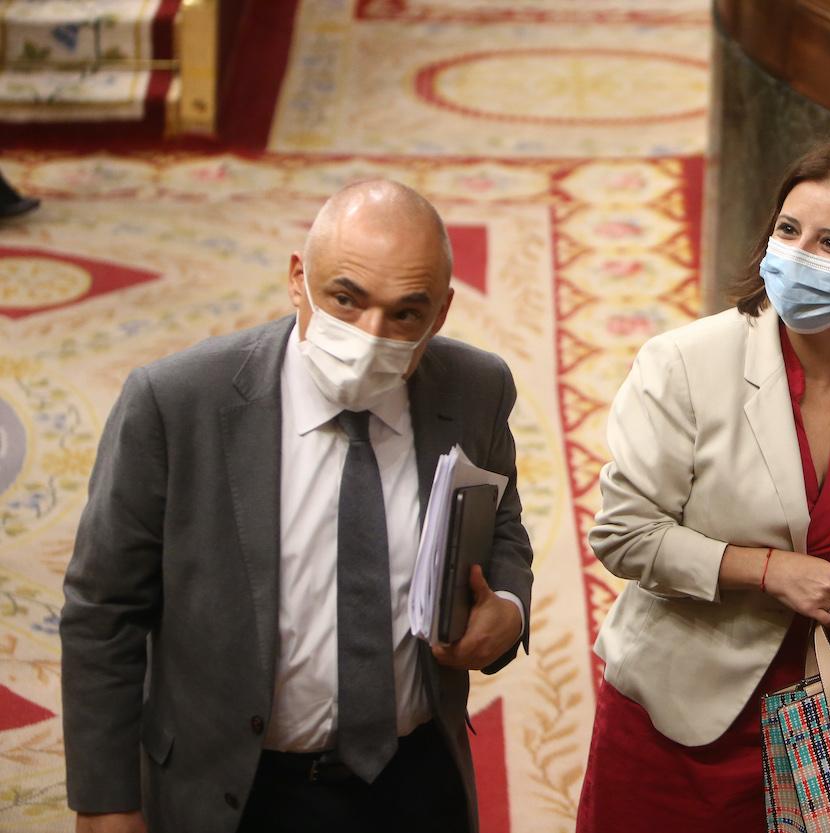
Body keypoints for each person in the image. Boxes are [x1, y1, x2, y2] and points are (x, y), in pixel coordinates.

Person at [60, 180, 534, 833]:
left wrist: (508, 607)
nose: (371, 336)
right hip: (242, 787)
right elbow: (103, 611)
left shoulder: (476, 388)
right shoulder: (174, 405)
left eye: (405, 314)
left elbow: (501, 519)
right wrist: (107, 800)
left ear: (442, 312)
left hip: (416, 775)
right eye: (346, 299)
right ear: (296, 279)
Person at [576, 142, 830, 832]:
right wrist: (772, 571)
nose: (797, 254)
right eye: (788, 230)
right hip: (688, 716)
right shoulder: (685, 364)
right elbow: (624, 534)